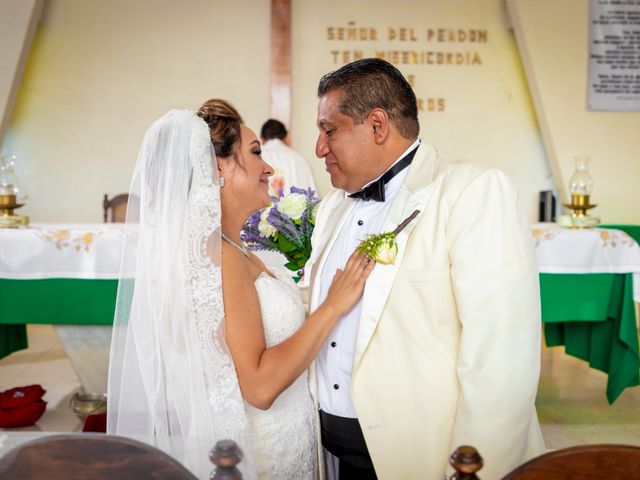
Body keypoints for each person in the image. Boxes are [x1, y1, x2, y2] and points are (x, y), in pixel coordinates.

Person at [107, 100, 374, 479]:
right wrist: (333, 306)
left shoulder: (226, 248)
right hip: (262, 456)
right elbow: (260, 387)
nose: (268, 167)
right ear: (217, 168)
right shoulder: (221, 257)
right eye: (254, 153)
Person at [305, 58, 545, 479]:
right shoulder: (330, 209)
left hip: (426, 460)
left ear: (377, 125)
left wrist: (472, 470)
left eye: (329, 130)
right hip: (332, 458)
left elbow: (501, 361)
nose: (319, 147)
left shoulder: (472, 191)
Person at [260, 119, 317, 197]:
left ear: (261, 139)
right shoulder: (300, 159)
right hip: (296, 209)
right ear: (285, 138)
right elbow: (312, 197)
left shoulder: (256, 155)